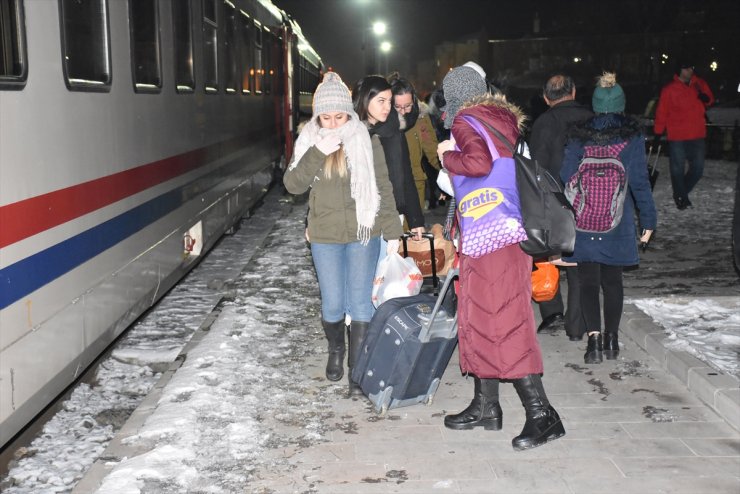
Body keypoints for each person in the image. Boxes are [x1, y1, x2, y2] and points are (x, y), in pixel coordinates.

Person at [436, 65, 565, 451]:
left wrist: (447, 157)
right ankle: (486, 406)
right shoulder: (497, 119)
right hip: (496, 235)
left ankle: (543, 415)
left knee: (505, 322)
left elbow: (477, 165)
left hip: (493, 239)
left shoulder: (464, 120)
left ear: (454, 96)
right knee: (479, 318)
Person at [283, 72, 403, 393]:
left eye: (340, 116)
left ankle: (357, 368)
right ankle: (336, 350)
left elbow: (383, 188)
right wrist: (317, 152)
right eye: (326, 117)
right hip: (325, 236)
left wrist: (393, 233)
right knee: (333, 305)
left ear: (349, 113)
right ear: (317, 116)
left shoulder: (366, 139)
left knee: (361, 304)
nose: (334, 123)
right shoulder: (310, 141)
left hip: (364, 234)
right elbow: (293, 185)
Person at [561, 72, 657, 364]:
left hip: (585, 217)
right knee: (613, 282)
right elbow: (640, 181)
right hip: (618, 218)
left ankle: (593, 341)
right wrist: (649, 221)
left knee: (588, 281)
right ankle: (612, 340)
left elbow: (565, 176)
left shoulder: (579, 135)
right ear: (620, 104)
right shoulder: (632, 136)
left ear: (595, 104)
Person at [529, 74, 593, 340]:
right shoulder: (591, 118)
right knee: (579, 260)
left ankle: (552, 310)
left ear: (546, 98)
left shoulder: (544, 122)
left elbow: (536, 166)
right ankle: (576, 325)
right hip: (588, 197)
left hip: (553, 198)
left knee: (546, 253)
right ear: (574, 91)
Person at [352, 75, 425, 240]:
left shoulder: (394, 132)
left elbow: (405, 175)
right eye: (382, 101)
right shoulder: (350, 132)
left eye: (389, 101)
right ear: (365, 99)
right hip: (356, 214)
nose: (388, 107)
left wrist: (415, 220)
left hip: (392, 212)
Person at [653, 61, 714, 210]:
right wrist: (658, 133)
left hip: (697, 133)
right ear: (680, 70)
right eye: (687, 68)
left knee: (698, 169)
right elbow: (662, 112)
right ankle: (681, 197)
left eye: (692, 67)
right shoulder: (669, 90)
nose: (691, 71)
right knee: (677, 169)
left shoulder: (699, 84)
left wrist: (707, 99)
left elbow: (710, 99)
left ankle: (680, 192)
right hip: (677, 135)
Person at [389, 74, 442, 211]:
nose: (403, 111)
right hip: (388, 187)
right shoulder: (383, 120)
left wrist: (451, 174)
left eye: (407, 106)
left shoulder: (421, 119)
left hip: (414, 183)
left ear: (413, 100)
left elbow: (433, 152)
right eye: (397, 107)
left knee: (412, 231)